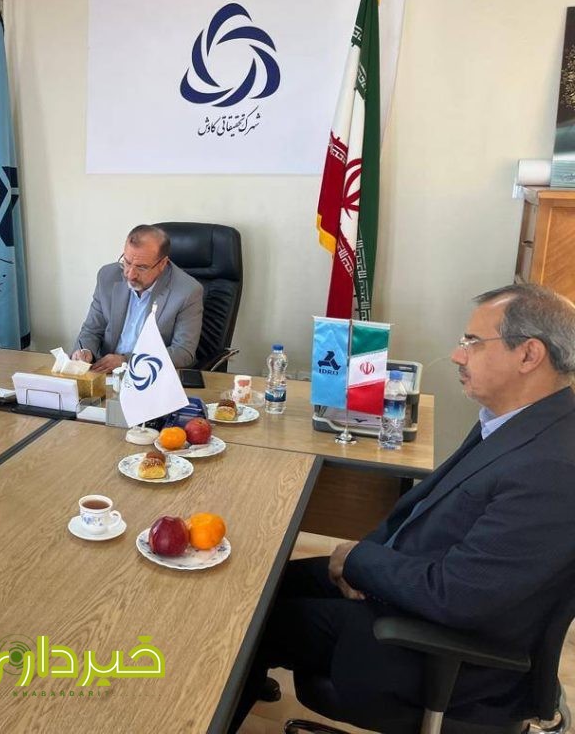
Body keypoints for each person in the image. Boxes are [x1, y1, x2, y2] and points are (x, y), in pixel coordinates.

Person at [233, 283, 575, 731]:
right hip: (407, 586)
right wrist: (362, 557)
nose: (457, 355)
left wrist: (358, 561)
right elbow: (420, 510)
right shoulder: (516, 421)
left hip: (435, 650)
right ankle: (243, 681)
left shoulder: (554, 467)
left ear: (529, 355)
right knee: (264, 582)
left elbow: (459, 597)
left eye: (473, 342)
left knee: (248, 621)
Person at [71, 225, 203, 372]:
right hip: (105, 373)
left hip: (151, 375)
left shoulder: (188, 291)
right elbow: (91, 330)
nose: (130, 274)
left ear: (162, 264)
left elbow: (183, 353)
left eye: (142, 267)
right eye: (127, 262)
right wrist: (85, 351)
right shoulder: (108, 276)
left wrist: (126, 361)